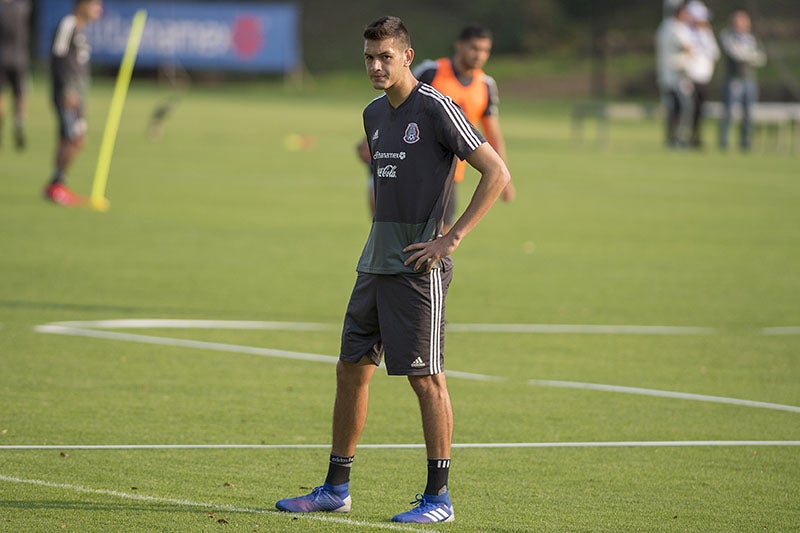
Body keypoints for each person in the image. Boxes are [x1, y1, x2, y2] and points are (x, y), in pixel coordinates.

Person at [275, 16, 510, 524]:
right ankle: (336, 487)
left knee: (426, 379)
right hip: (374, 262)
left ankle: (439, 499)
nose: (376, 66)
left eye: (386, 57)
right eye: (369, 58)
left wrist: (452, 238)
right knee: (351, 370)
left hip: (418, 267)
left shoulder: (437, 107)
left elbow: (496, 172)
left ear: (407, 56)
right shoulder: (372, 113)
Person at [413, 24, 514, 232]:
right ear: (459, 46)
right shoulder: (431, 72)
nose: (480, 55)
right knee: (403, 233)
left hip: (450, 173)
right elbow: (397, 107)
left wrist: (505, 176)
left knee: (441, 237)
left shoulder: (485, 85)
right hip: (415, 166)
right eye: (474, 48)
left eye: (485, 50)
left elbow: (492, 135)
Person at [44, 0, 103, 206]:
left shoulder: (80, 30)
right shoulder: (67, 24)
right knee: (72, 137)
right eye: (95, 4)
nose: (99, 9)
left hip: (77, 96)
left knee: (74, 138)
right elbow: (58, 58)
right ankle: (56, 185)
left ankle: (57, 184)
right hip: (66, 94)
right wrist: (67, 90)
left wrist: (81, 96)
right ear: (82, 4)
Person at [718, 10, 766, 152]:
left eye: (743, 20)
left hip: (748, 79)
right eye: (738, 20)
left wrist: (748, 55)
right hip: (733, 79)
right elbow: (735, 53)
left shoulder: (751, 38)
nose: (741, 23)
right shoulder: (727, 35)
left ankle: (745, 143)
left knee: (748, 113)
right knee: (728, 112)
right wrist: (750, 55)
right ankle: (723, 142)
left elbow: (761, 57)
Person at [655, 2, 695, 148]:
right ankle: (678, 139)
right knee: (684, 108)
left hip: (669, 76)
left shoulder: (664, 27)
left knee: (674, 109)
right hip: (676, 76)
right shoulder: (675, 28)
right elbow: (688, 47)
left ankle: (673, 139)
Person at [685, 1, 719, 149]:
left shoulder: (707, 33)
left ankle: (696, 137)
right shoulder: (684, 31)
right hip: (689, 77)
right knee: (687, 109)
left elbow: (714, 53)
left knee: (699, 111)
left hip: (704, 77)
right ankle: (684, 137)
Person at [0, 0, 31, 151]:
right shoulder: (22, 7)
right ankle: (19, 125)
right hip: (19, 58)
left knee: (1, 96)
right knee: (20, 96)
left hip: (2, 57)